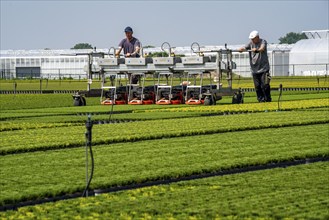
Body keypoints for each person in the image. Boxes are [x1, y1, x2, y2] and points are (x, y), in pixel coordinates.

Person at [238, 31, 271, 102]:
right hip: (254, 69)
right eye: (251, 39)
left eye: (253, 39)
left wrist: (257, 50)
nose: (252, 40)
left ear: (257, 37)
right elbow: (245, 47)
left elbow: (262, 48)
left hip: (264, 68)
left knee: (265, 85)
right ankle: (260, 100)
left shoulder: (263, 41)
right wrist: (241, 49)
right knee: (257, 86)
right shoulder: (250, 43)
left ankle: (267, 99)